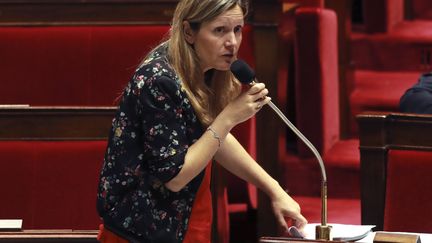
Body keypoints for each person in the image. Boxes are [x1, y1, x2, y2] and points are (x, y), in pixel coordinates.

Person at [96, 0, 307, 242]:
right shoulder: (158, 80)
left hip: (185, 220)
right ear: (188, 32)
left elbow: (214, 139)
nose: (232, 42)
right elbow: (174, 177)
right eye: (220, 30)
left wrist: (275, 190)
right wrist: (229, 117)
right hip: (141, 231)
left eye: (237, 29)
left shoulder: (205, 70)